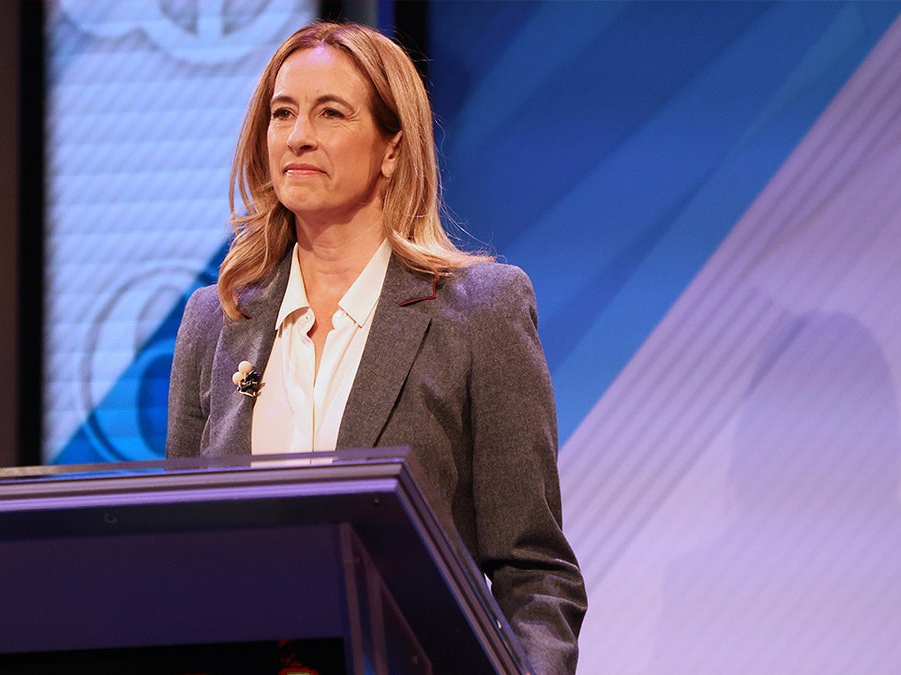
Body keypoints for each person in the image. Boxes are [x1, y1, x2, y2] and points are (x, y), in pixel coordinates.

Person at [166, 21, 586, 673]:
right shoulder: (213, 320)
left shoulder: (479, 312)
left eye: (330, 112)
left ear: (391, 147)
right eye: (283, 113)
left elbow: (534, 573)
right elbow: (182, 561)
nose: (299, 135)